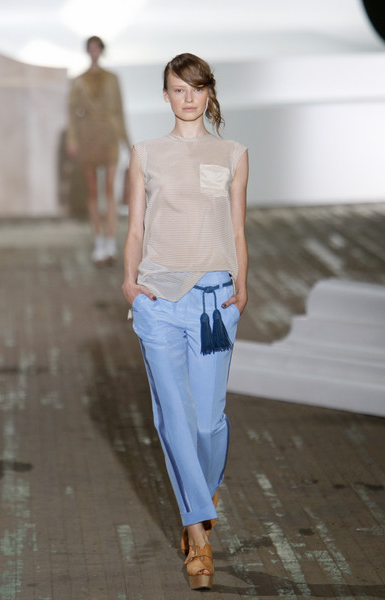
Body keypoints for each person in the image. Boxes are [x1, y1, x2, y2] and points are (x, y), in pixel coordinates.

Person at [122, 53, 249, 591]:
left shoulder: (233, 153)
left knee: (207, 423)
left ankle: (201, 491)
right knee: (174, 417)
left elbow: (237, 230)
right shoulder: (145, 154)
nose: (188, 97)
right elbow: (135, 228)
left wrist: (243, 288)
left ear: (209, 92)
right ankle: (198, 538)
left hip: (215, 303)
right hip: (159, 300)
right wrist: (130, 284)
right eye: (178, 89)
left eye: (196, 88)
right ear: (166, 95)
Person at [67, 35, 132, 264]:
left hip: (109, 135)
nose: (94, 51)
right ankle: (99, 240)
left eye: (97, 48)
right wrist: (72, 139)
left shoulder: (113, 79)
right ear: (87, 51)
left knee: (110, 190)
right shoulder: (78, 80)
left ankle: (111, 240)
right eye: (91, 48)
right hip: (88, 135)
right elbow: (72, 112)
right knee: (93, 191)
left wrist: (127, 141)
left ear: (101, 50)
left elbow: (119, 110)